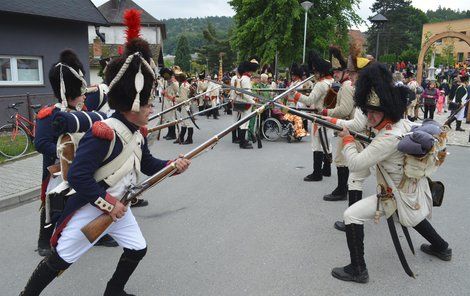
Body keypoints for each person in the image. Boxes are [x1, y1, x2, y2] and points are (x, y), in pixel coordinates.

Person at [19, 37, 191, 296]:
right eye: (146, 103)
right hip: (95, 205)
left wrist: (172, 165)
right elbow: (77, 176)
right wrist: (110, 204)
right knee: (61, 259)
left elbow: (147, 164)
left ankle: (114, 291)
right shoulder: (104, 133)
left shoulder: (137, 132)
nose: (151, 107)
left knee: (137, 248)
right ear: (133, 104)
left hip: (120, 204)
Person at [331, 63, 451, 284]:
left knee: (351, 215)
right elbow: (381, 144)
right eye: (367, 111)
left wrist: (348, 140)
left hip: (396, 194)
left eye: (375, 112)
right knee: (410, 217)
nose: (370, 116)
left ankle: (358, 269)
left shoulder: (386, 138)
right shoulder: (402, 124)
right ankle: (442, 247)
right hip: (410, 190)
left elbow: (357, 164)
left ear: (387, 109)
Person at [293, 51, 334, 181]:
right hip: (328, 116)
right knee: (327, 143)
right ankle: (326, 169)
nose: (314, 74)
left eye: (316, 72)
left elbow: (310, 100)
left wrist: (296, 95)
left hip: (319, 116)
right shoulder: (331, 81)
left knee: (317, 145)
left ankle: (317, 173)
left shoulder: (321, 84)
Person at [321, 46, 355, 201]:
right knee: (343, 159)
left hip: (349, 127)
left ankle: (342, 190)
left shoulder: (347, 86)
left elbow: (345, 110)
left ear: (346, 72)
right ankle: (343, 188)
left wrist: (327, 112)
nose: (334, 74)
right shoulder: (345, 85)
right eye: (334, 71)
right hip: (347, 126)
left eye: (337, 71)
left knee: (342, 159)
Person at [232, 58, 260, 149]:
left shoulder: (242, 78)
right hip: (246, 103)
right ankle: (242, 142)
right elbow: (247, 94)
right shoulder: (246, 79)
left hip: (243, 102)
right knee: (245, 123)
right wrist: (253, 102)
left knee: (242, 122)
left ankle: (242, 140)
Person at [173, 66, 196, 144]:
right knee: (184, 123)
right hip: (187, 105)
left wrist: (174, 99)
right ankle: (181, 138)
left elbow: (182, 99)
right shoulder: (186, 84)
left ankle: (190, 139)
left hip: (185, 105)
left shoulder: (183, 86)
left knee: (188, 123)